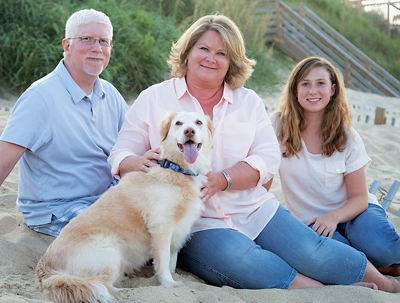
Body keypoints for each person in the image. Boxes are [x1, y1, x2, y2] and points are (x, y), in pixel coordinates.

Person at [108, 15, 399, 292]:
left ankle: (387, 285)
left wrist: (224, 179)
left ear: (231, 62)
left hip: (255, 208)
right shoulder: (154, 98)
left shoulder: (247, 102)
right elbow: (121, 153)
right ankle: (317, 289)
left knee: (312, 251)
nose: (211, 58)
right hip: (194, 221)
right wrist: (135, 162)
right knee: (246, 263)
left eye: (222, 53)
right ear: (187, 53)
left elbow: (268, 157)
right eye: (204, 49)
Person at [0, 9, 128, 237]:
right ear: (67, 46)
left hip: (106, 196)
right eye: (86, 39)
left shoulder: (110, 94)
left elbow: (132, 146)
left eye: (103, 41)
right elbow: (3, 162)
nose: (97, 48)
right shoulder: (41, 97)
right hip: (58, 207)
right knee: (118, 240)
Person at [269, 56, 400, 277]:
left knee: (381, 247)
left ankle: (381, 260)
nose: (313, 91)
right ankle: (379, 267)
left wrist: (333, 217)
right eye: (305, 84)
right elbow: (261, 172)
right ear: (294, 90)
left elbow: (359, 197)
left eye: (320, 83)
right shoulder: (277, 126)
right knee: (343, 259)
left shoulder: (347, 136)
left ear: (332, 90)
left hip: (355, 212)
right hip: (310, 221)